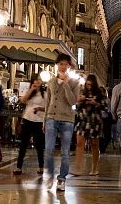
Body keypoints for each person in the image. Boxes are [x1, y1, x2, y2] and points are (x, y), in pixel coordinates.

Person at [43, 54, 79, 191]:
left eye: (66, 64)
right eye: (61, 64)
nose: (63, 67)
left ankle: (62, 178)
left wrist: (65, 84)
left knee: (65, 151)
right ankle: (50, 174)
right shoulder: (51, 82)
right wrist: (44, 119)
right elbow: (48, 101)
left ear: (69, 66)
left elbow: (72, 101)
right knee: (49, 149)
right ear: (57, 65)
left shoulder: (74, 83)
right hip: (51, 118)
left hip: (67, 120)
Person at [13, 75, 46, 176]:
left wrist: (39, 109)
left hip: (39, 121)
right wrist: (31, 90)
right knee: (23, 144)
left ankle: (41, 166)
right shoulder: (30, 92)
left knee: (39, 145)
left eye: (39, 80)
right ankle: (19, 167)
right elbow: (23, 100)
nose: (37, 82)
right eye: (35, 80)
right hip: (27, 119)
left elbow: (48, 108)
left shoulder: (45, 94)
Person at [74, 74, 104, 176]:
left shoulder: (100, 93)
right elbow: (76, 107)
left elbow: (106, 107)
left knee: (95, 145)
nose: (88, 86)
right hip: (82, 121)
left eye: (90, 84)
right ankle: (78, 168)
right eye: (87, 84)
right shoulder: (82, 92)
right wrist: (79, 100)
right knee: (79, 144)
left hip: (94, 122)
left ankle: (95, 168)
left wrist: (95, 103)